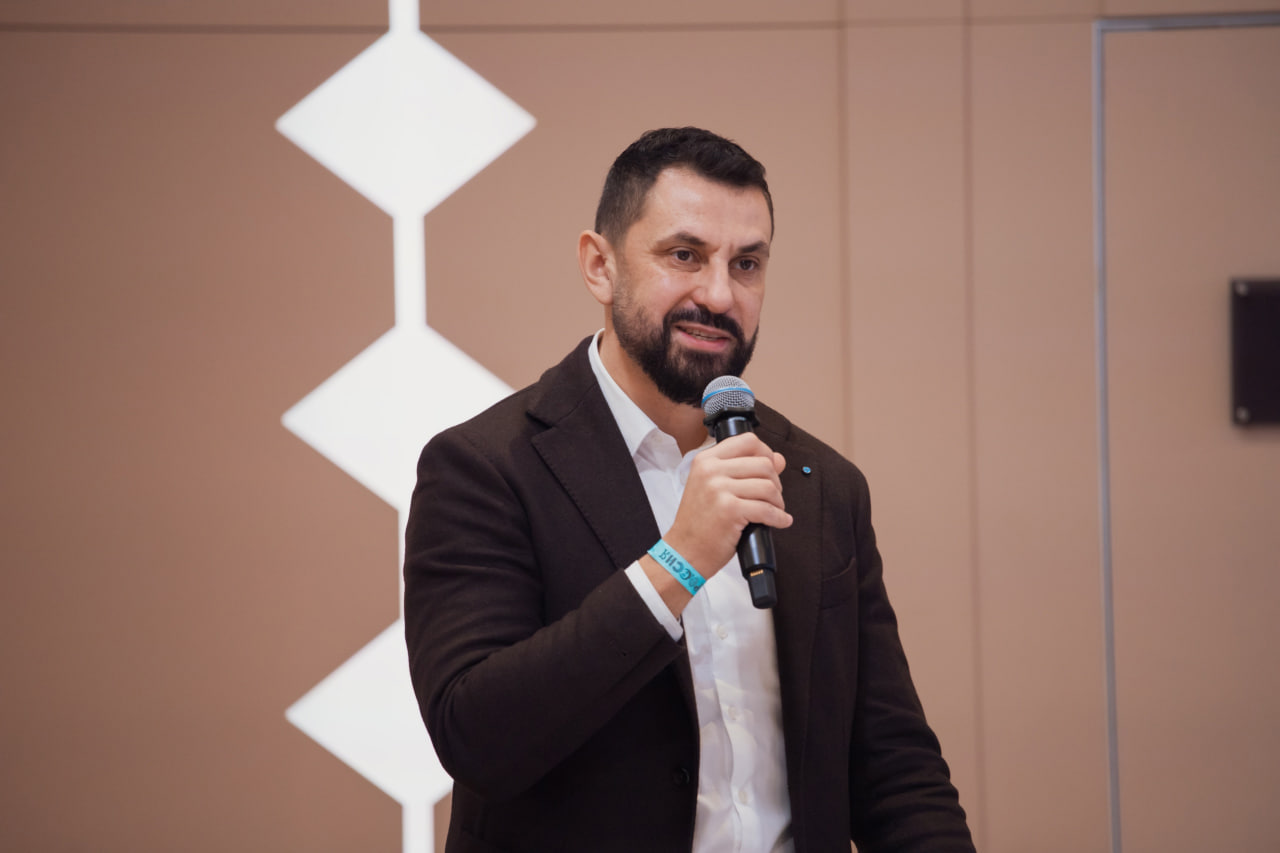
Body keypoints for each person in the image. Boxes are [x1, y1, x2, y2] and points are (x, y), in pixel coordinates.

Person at [404, 127, 974, 852]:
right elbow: (477, 736)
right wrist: (678, 560)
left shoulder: (820, 483)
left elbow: (895, 768)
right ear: (600, 266)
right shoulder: (484, 467)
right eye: (684, 255)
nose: (719, 294)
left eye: (747, 264)